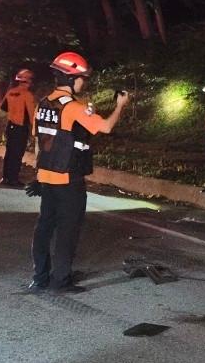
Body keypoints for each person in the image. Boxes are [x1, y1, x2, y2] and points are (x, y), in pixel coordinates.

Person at [24, 51, 129, 295]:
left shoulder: (43, 103)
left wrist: (38, 175)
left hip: (47, 178)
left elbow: (40, 141)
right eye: (82, 77)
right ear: (72, 79)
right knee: (67, 230)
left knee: (44, 227)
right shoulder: (72, 107)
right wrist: (120, 106)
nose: (84, 82)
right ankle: (60, 280)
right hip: (68, 177)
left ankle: (40, 276)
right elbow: (106, 126)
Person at [0, 68, 37, 187]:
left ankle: (6, 177)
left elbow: (3, 107)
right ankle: (14, 179)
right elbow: (31, 115)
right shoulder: (27, 95)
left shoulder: (11, 92)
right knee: (17, 154)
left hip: (10, 125)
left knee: (9, 153)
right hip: (21, 128)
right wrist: (34, 129)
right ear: (28, 81)